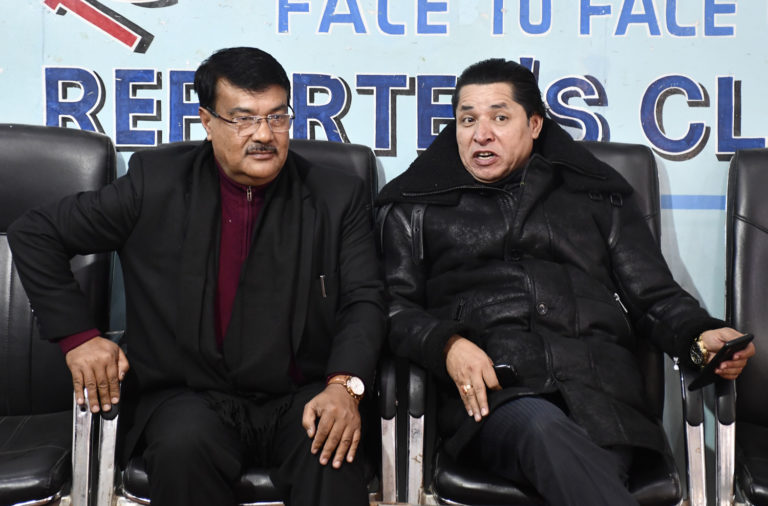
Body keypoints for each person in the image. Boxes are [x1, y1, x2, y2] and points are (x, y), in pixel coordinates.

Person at [8, 47, 385, 506]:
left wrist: (344, 386)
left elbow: (364, 301)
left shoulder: (335, 196)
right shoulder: (155, 184)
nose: (264, 135)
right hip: (189, 396)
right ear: (207, 121)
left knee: (331, 451)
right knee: (182, 449)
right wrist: (78, 337)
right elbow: (36, 232)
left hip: (302, 394)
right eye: (243, 119)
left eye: (277, 117)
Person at [376, 58, 755, 505]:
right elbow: (393, 308)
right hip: (497, 399)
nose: (481, 134)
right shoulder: (416, 206)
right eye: (467, 120)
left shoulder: (594, 195)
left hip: (601, 398)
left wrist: (700, 337)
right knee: (543, 431)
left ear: (535, 124)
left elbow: (654, 297)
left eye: (500, 117)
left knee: (584, 466)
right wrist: (447, 345)